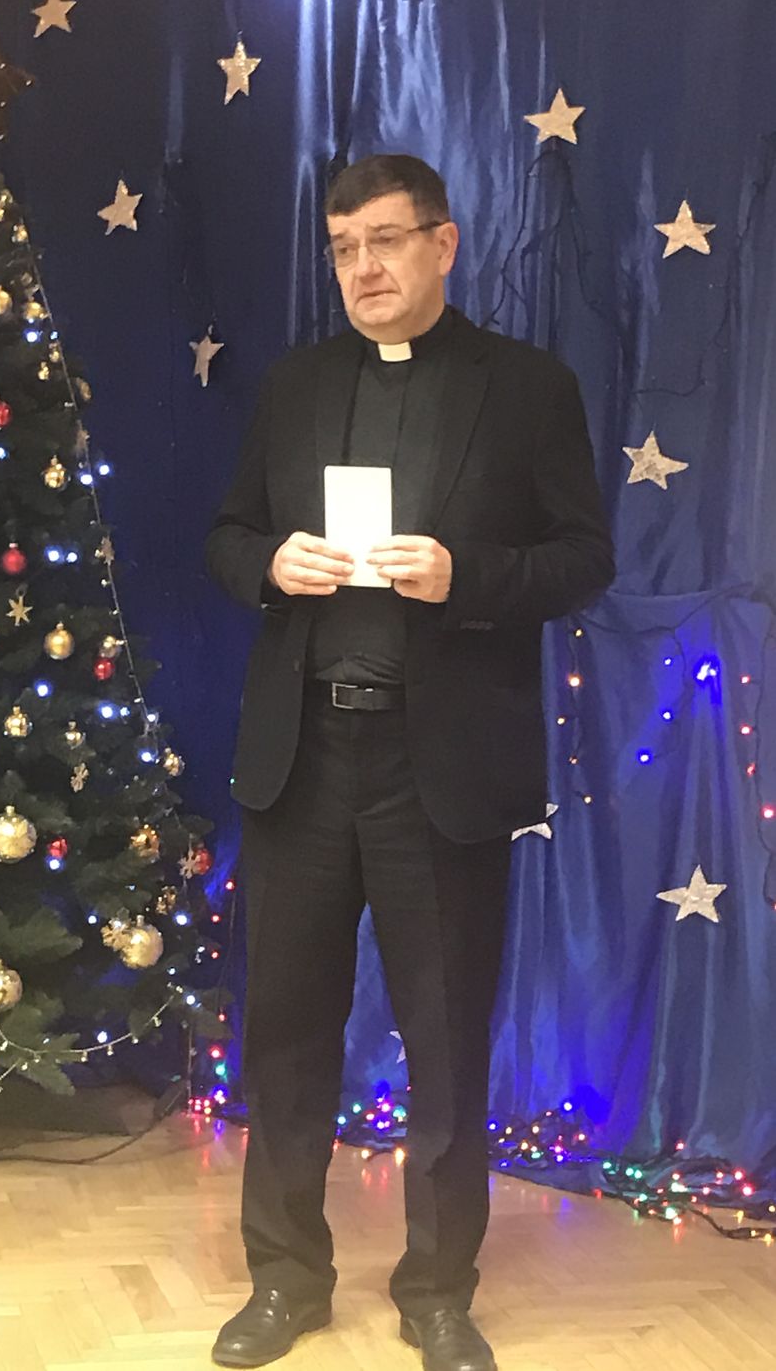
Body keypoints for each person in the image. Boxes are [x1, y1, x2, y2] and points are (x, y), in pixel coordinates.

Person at [204, 154, 615, 1371]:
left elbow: (585, 558)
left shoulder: (528, 387)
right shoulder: (294, 384)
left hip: (439, 771)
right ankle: (286, 1280)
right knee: (285, 1034)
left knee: (444, 1040)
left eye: (385, 241)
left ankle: (438, 1292)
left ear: (444, 245)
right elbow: (227, 535)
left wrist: (465, 575)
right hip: (302, 759)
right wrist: (269, 565)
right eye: (343, 248)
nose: (364, 268)